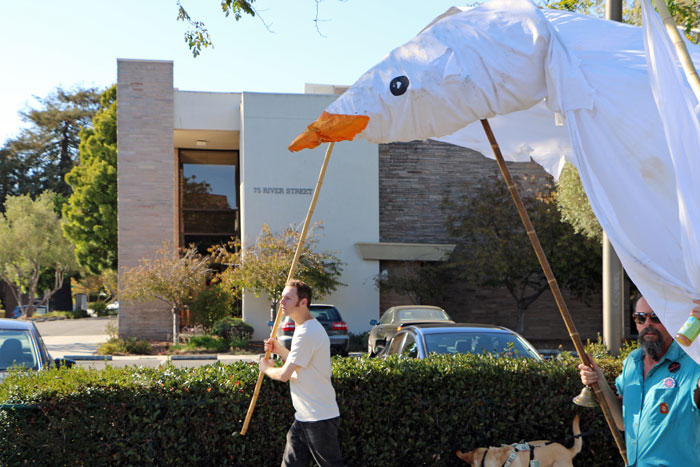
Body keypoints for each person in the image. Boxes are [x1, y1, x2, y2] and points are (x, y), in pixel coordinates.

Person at [578, 296, 700, 466]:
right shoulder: (632, 362)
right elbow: (622, 422)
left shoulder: (693, 362)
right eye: (640, 318)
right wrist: (598, 379)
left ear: (672, 319)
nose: (648, 323)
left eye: (656, 317)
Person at [259, 279, 346, 467]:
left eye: (288, 299)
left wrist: (266, 368)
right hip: (304, 416)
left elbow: (284, 375)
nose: (282, 302)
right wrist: (279, 349)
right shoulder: (304, 329)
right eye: (282, 298)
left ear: (303, 302)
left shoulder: (307, 332)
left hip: (319, 418)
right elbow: (299, 363)